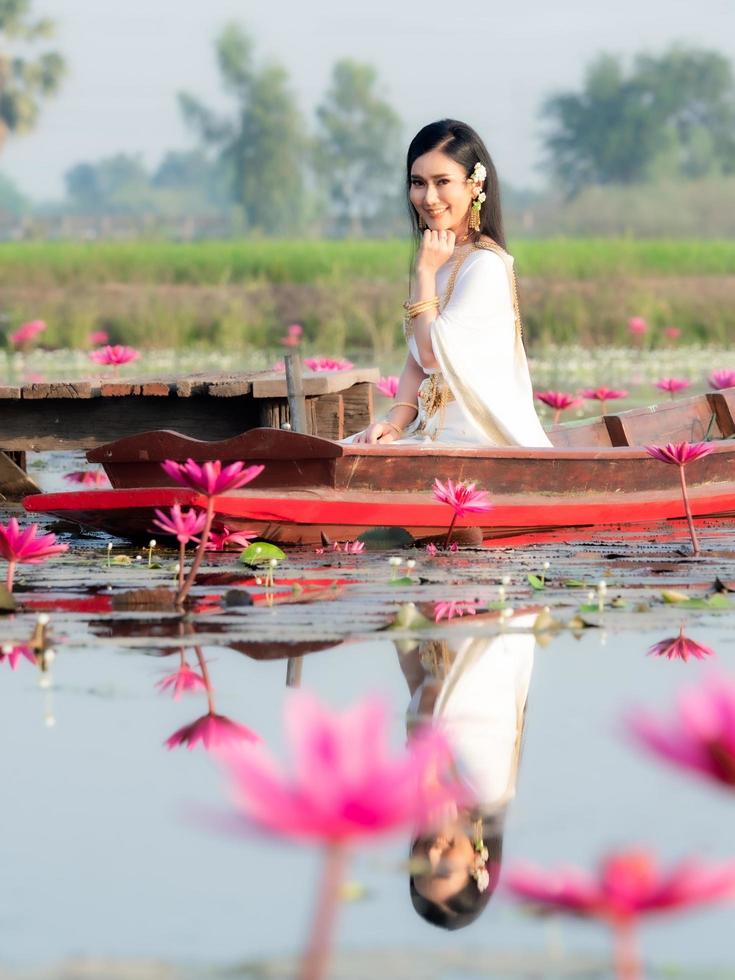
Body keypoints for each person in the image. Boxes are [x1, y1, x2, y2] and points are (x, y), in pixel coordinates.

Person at [350, 119, 550, 447]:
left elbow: (431, 358)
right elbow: (416, 359)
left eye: (442, 181)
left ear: (475, 186)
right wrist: (395, 423)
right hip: (433, 433)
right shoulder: (440, 255)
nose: (429, 197)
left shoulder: (484, 265)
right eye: (418, 182)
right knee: (353, 445)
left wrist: (424, 274)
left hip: (479, 441)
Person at [396, 612, 537, 929]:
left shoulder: (435, 796)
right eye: (444, 869)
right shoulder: (488, 789)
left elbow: (418, 682)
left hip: (450, 606)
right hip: (483, 605)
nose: (431, 855)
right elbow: (441, 694)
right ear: (478, 864)